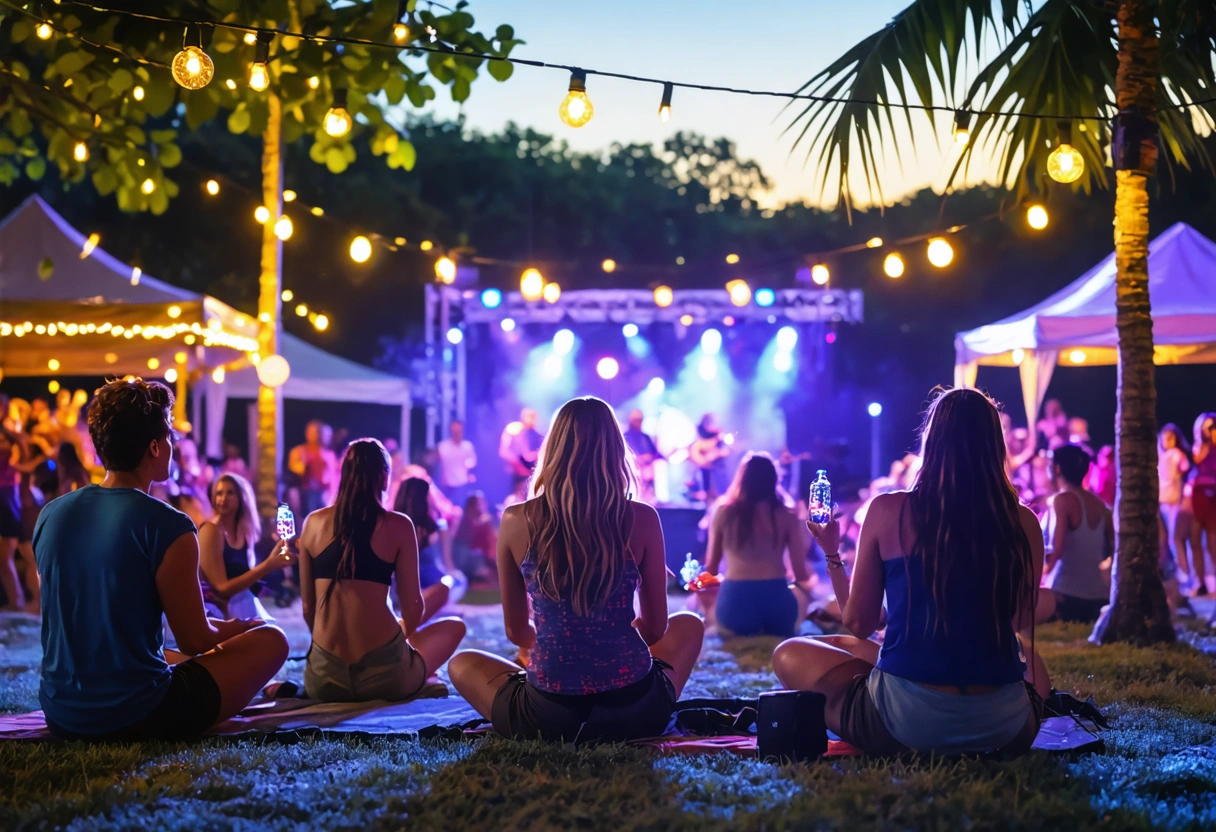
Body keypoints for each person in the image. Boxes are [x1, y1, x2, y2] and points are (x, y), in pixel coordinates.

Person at [772, 388, 1048, 758]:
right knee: (849, 648)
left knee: (789, 654)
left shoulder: (889, 510)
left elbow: (858, 622)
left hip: (906, 725)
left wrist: (832, 553)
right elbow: (1017, 619)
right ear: (995, 445)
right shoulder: (1025, 522)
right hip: (1006, 727)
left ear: (931, 442)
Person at [34, 378, 289, 741]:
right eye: (170, 438)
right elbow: (195, 639)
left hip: (61, 711)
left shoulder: (51, 514)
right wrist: (244, 626)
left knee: (165, 655)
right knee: (273, 639)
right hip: (138, 712)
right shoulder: (169, 524)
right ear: (154, 447)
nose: (173, 447)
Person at [449, 396, 705, 744]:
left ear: (552, 449)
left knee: (461, 664)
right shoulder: (643, 518)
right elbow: (657, 628)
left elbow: (517, 632)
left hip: (547, 714)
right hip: (635, 710)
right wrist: (605, 648)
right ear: (615, 449)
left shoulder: (515, 520)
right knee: (689, 624)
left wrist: (565, 649)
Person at [297, 438, 466, 702]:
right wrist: (396, 645)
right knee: (455, 627)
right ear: (384, 478)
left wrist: (329, 650)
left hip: (323, 679)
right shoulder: (398, 525)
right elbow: (414, 609)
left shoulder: (313, 523)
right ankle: (419, 676)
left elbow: (308, 608)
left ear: (344, 475)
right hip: (386, 677)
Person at [702, 453, 812, 637]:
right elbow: (800, 573)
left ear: (742, 479)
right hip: (778, 605)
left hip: (735, 604)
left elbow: (711, 568)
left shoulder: (723, 512)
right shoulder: (787, 515)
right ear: (774, 479)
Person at [199, 474, 296, 621]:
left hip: (241, 603)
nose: (223, 498)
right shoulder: (210, 530)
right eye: (219, 493)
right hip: (215, 610)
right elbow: (221, 588)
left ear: (242, 497)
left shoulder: (244, 532)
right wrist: (268, 565)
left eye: (230, 493)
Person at [1041, 445, 1113, 623]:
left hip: (1065, 595)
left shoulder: (1063, 500)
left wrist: (1038, 577)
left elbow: (1057, 550)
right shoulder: (1100, 504)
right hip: (1095, 596)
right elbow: (1114, 547)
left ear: (1056, 468)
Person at [394, 477, 465, 619]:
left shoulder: (394, 525)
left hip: (402, 589)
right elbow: (448, 564)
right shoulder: (437, 528)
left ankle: (423, 606)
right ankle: (433, 607)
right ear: (424, 498)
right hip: (429, 586)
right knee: (457, 581)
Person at [1158, 424, 1191, 570]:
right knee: (1167, 538)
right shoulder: (1161, 456)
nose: (1167, 441)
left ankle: (1184, 570)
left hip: (1174, 500)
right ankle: (1179, 569)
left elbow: (1184, 467)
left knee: (1175, 537)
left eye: (1170, 438)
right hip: (1163, 500)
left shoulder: (1176, 454)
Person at [1190, 413, 1216, 596]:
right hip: (1198, 495)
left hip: (1214, 494)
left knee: (1213, 540)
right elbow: (1197, 459)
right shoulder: (1200, 447)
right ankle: (1200, 582)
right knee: (1194, 538)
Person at [289, 420, 338, 516]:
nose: (316, 435)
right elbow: (296, 470)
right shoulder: (299, 451)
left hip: (325, 493)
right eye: (312, 432)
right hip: (307, 492)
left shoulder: (329, 455)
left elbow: (333, 478)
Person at [499, 408, 544, 500]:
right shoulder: (514, 429)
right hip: (515, 471)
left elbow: (525, 455)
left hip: (523, 471)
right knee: (516, 498)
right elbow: (504, 451)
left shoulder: (525, 432)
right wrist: (518, 466)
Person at [452, 492, 497, 580]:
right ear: (470, 507)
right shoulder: (466, 524)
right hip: (469, 564)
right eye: (479, 504)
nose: (483, 506)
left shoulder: (486, 522)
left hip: (484, 560)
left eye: (484, 503)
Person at [436, 420, 477, 507]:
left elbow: (472, 463)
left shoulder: (467, 446)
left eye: (458, 430)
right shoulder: (442, 447)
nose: (456, 433)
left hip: (463, 485)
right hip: (447, 486)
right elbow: (436, 466)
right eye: (454, 431)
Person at [689, 413, 729, 502]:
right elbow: (694, 451)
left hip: (716, 471)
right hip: (702, 470)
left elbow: (725, 451)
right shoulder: (698, 433)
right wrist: (703, 459)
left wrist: (716, 454)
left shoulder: (719, 436)